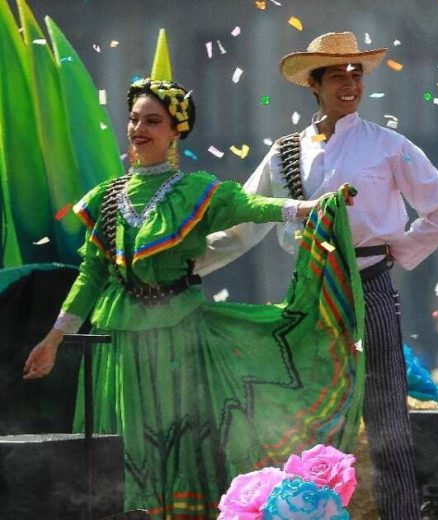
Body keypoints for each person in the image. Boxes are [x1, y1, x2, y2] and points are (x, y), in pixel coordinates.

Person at [22, 37, 366, 518]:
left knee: (181, 433)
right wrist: (55, 338)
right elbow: (92, 274)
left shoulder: (194, 191)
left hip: (180, 337)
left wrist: (308, 207)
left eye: (153, 121)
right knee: (129, 438)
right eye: (135, 119)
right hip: (122, 343)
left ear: (174, 132)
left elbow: (251, 206)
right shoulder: (108, 196)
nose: (139, 129)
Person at [197, 31, 438, 517]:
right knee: (307, 416)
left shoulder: (388, 145)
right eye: (337, 74)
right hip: (310, 291)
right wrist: (189, 266)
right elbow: (246, 223)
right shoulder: (284, 154)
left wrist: (392, 253)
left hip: (371, 287)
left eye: (356, 73)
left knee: (386, 420)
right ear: (313, 85)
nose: (350, 83)